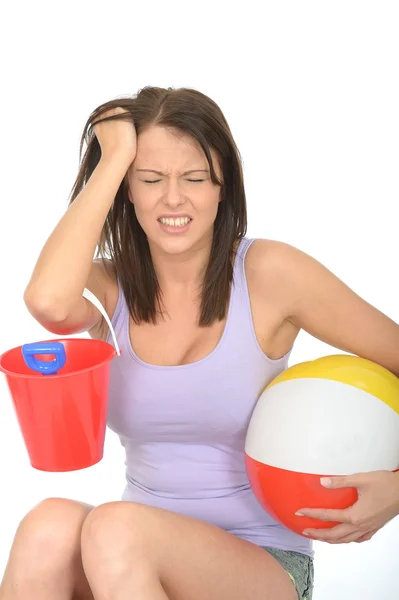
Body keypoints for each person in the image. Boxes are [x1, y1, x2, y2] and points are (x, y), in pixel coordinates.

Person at [1, 86, 399, 600]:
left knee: (117, 527)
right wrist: (114, 155)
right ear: (127, 189)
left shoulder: (271, 274)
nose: (173, 199)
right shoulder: (109, 288)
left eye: (194, 178)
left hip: (260, 560)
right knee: (47, 524)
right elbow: (49, 303)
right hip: (127, 559)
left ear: (221, 187)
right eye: (149, 179)